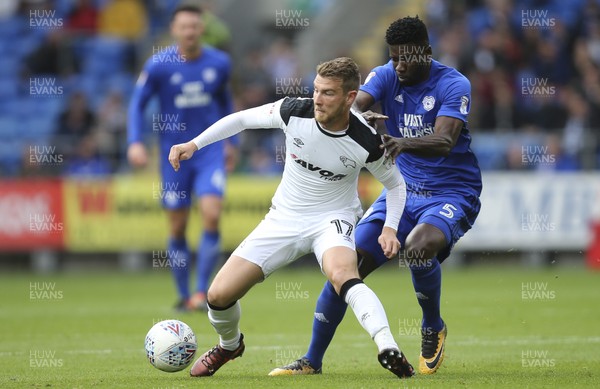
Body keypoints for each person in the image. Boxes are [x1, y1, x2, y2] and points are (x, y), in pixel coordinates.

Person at [168, 57, 415, 378]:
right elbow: (241, 120)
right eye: (316, 90)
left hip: (332, 219)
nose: (317, 99)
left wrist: (390, 228)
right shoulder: (293, 111)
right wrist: (193, 144)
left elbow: (397, 185)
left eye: (328, 93)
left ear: (350, 98)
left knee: (343, 274)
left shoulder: (366, 140)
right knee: (218, 296)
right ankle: (229, 345)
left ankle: (388, 347)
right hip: (283, 219)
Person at [270, 16, 482, 376]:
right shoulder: (385, 74)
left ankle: (432, 325)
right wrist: (359, 115)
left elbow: (446, 141)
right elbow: (351, 106)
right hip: (402, 190)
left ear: (427, 53)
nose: (399, 66)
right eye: (394, 57)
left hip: (451, 190)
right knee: (346, 268)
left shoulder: (453, 83)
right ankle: (311, 361)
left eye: (407, 58)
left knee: (418, 247)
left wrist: (402, 142)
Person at [127, 5, 235, 312]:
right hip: (173, 154)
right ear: (174, 30)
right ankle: (183, 294)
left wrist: (233, 142)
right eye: (184, 27)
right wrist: (135, 142)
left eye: (195, 26)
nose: (190, 32)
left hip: (208, 149)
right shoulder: (159, 65)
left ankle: (202, 292)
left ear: (202, 29)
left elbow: (227, 103)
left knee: (212, 215)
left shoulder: (220, 62)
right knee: (177, 226)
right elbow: (137, 104)